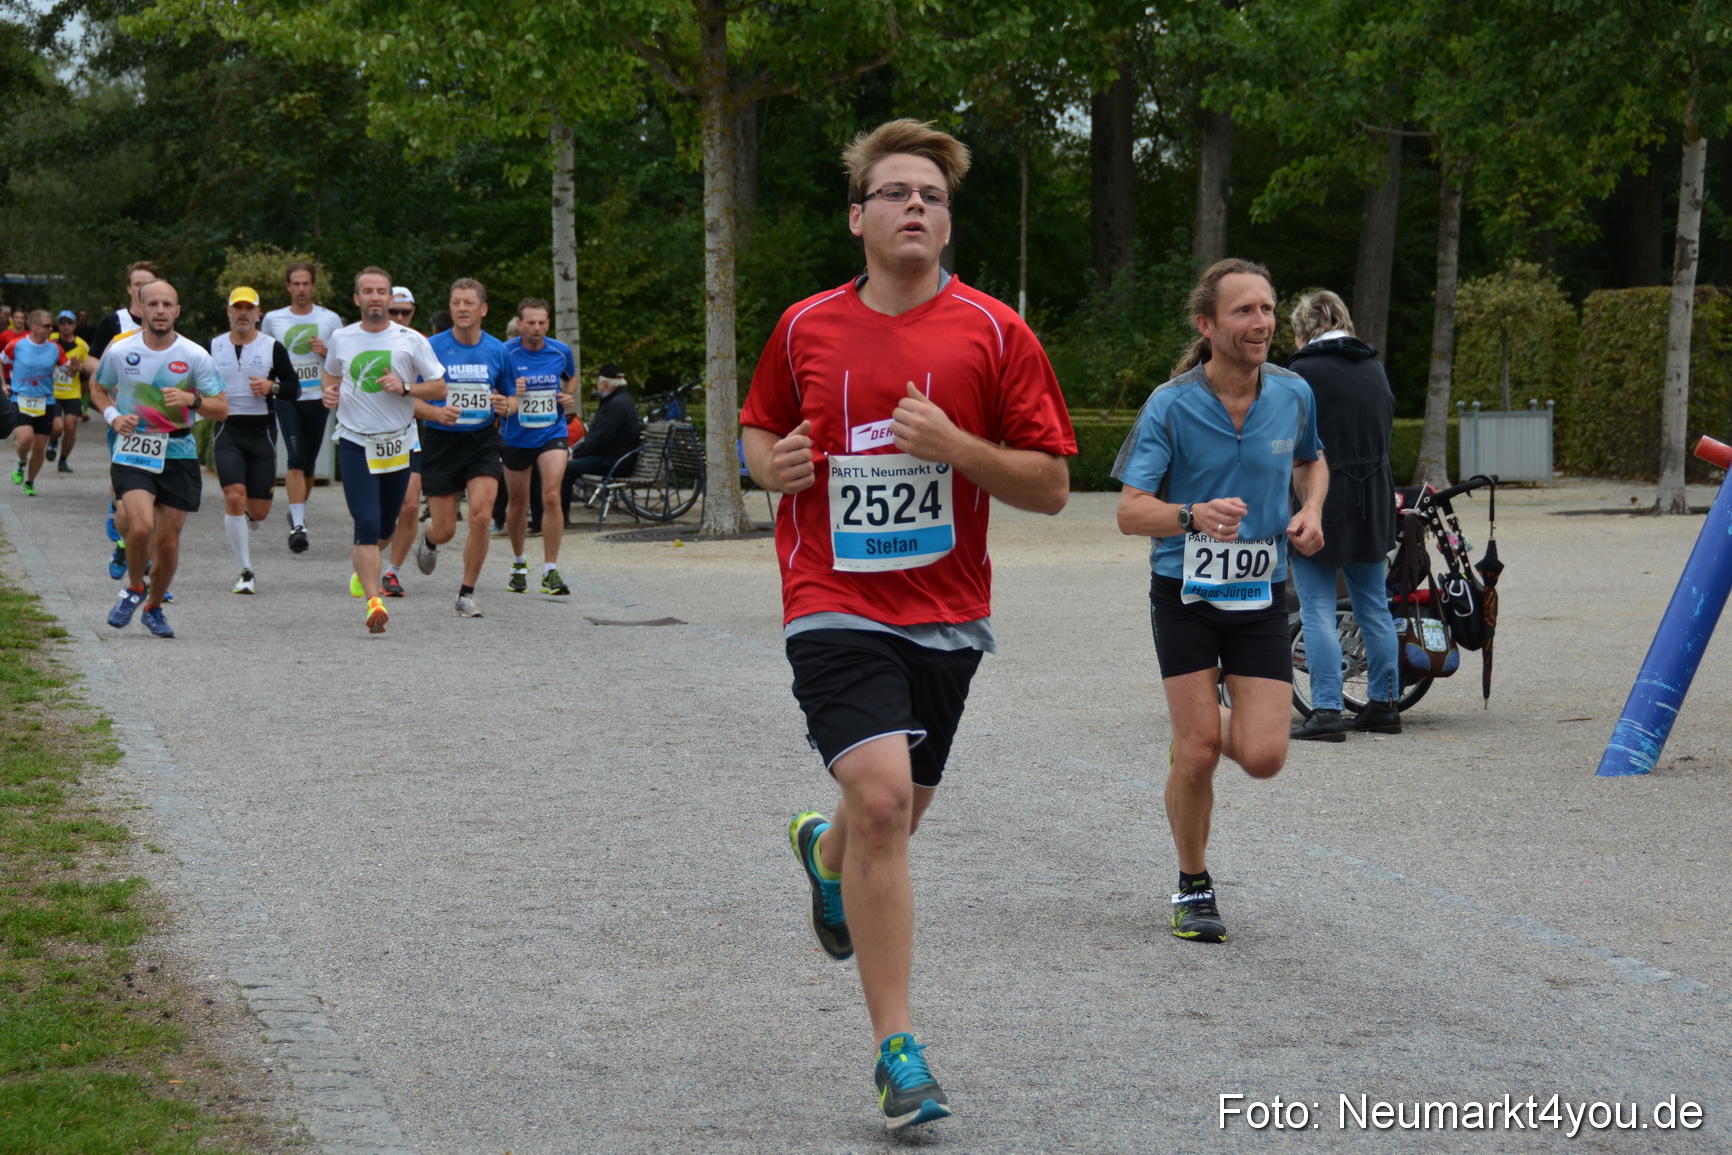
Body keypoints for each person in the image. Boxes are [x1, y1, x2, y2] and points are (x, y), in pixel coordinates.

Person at [741, 119, 1075, 1132]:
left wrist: (956, 446)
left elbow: (1053, 484)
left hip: (945, 614)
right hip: (830, 600)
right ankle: (898, 1051)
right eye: (894, 192)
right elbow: (757, 431)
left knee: (892, 815)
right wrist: (772, 467)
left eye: (931, 193)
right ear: (857, 218)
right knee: (884, 801)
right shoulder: (804, 327)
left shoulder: (994, 332)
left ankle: (824, 852)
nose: (916, 206)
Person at [1112, 258, 1328, 945]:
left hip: (1260, 591)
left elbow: (1309, 458)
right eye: (1244, 311)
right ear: (1207, 325)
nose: (1261, 322)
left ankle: (1195, 735)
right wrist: (1191, 516)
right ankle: (1193, 882)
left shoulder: (1294, 394)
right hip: (1185, 591)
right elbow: (1129, 511)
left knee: (1264, 755)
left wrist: (1312, 508)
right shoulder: (1170, 404)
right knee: (1202, 750)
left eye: (1267, 308)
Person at [1281, 291, 1401, 739]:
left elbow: (1292, 444)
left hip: (1323, 497)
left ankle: (1327, 710)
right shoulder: (1373, 366)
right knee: (1374, 607)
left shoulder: (1301, 372)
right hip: (1373, 498)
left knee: (1316, 607)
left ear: (1304, 329)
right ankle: (1385, 704)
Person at [93, 280, 228, 638]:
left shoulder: (195, 355)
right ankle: (135, 587)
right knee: (139, 527)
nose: (160, 310)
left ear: (177, 311)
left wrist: (192, 401)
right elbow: (98, 386)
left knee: (168, 543)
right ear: (141, 307)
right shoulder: (122, 350)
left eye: (167, 304)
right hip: (134, 449)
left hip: (178, 452)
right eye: (153, 304)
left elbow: (222, 408)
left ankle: (153, 608)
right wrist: (112, 417)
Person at [320, 267, 445, 634]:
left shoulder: (410, 339)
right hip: (356, 442)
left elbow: (439, 388)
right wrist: (330, 392)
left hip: (398, 442)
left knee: (388, 524)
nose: (375, 297)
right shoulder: (341, 338)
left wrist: (405, 387)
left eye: (382, 292)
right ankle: (374, 601)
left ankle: (365, 568)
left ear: (391, 299)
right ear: (357, 299)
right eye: (368, 291)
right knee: (367, 523)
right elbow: (331, 375)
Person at [414, 277, 515, 617]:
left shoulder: (497, 350)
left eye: (468, 303)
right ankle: (428, 539)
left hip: (482, 441)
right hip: (442, 441)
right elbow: (410, 398)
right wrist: (435, 411)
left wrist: (506, 406)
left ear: (482, 309)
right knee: (445, 529)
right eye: (456, 302)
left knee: (481, 515)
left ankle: (466, 593)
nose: (461, 308)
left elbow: (511, 397)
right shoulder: (431, 346)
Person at [211, 286, 299, 594]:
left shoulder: (272, 347)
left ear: (258, 313)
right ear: (229, 312)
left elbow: (294, 388)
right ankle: (245, 571)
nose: (244, 313)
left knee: (259, 511)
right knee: (234, 495)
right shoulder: (213, 346)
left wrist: (271, 387)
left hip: (262, 433)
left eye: (250, 308)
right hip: (227, 430)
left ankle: (247, 517)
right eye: (238, 308)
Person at [262, 261, 345, 555]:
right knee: (295, 456)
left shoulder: (330, 319)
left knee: (308, 463)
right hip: (288, 397)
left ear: (313, 286)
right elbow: (264, 354)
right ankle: (298, 525)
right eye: (295, 284)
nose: (300, 289)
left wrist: (327, 351)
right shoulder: (274, 319)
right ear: (288, 287)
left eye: (305, 284)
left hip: (319, 396)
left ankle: (297, 511)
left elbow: (343, 357)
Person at [502, 297, 576, 595]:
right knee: (518, 505)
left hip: (552, 432)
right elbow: (492, 390)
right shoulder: (504, 353)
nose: (536, 328)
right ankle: (519, 563)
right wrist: (511, 392)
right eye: (530, 322)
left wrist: (568, 398)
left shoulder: (561, 351)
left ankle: (551, 570)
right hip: (516, 436)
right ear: (519, 324)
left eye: (542, 323)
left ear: (548, 323)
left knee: (552, 495)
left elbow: (570, 378)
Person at [380, 287, 429, 594]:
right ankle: (367, 557)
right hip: (370, 437)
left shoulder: (420, 343)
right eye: (393, 311)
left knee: (410, 507)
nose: (399, 318)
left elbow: (436, 388)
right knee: (379, 511)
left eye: (405, 312)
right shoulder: (362, 338)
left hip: (410, 434)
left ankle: (392, 572)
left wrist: (407, 391)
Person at [560, 363, 641, 525]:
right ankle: (559, 517)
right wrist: (577, 453)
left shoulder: (616, 404)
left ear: (604, 383)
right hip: (612, 458)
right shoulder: (617, 400)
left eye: (598, 380)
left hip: (614, 462)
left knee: (563, 470)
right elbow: (597, 438)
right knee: (564, 466)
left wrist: (576, 454)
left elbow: (600, 440)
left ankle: (560, 518)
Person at [4, 310, 69, 495]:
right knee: (25, 438)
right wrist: (3, 383)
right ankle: (21, 462)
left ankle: (30, 481)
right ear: (33, 326)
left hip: (45, 401)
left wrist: (73, 369)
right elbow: (1, 361)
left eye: (51, 325)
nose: (51, 329)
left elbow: (67, 370)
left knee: (39, 446)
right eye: (47, 325)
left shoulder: (55, 348)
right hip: (20, 398)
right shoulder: (17, 345)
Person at [46, 311, 91, 472]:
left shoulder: (82, 345)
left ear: (74, 325)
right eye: (62, 322)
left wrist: (77, 370)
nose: (65, 325)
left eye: (69, 322)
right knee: (57, 427)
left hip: (72, 392)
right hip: (52, 391)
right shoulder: (50, 340)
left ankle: (63, 460)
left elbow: (85, 369)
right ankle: (53, 441)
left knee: (70, 426)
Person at [91, 261, 159, 359]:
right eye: (138, 284)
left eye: (148, 284)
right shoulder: (113, 322)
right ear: (129, 288)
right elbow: (90, 361)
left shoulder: (163, 321)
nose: (143, 288)